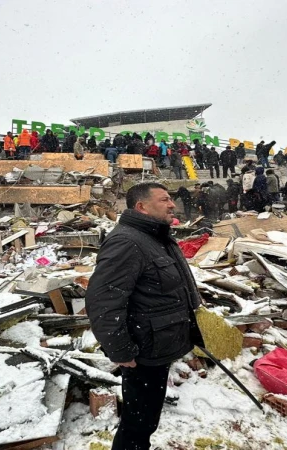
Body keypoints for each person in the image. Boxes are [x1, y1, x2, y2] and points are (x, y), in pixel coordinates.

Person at [85, 183, 204, 450]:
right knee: (138, 425)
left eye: (171, 199)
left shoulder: (154, 236)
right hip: (143, 352)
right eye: (164, 200)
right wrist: (120, 350)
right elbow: (103, 301)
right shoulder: (128, 242)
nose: (172, 204)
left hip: (158, 344)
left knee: (145, 420)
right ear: (142, 207)